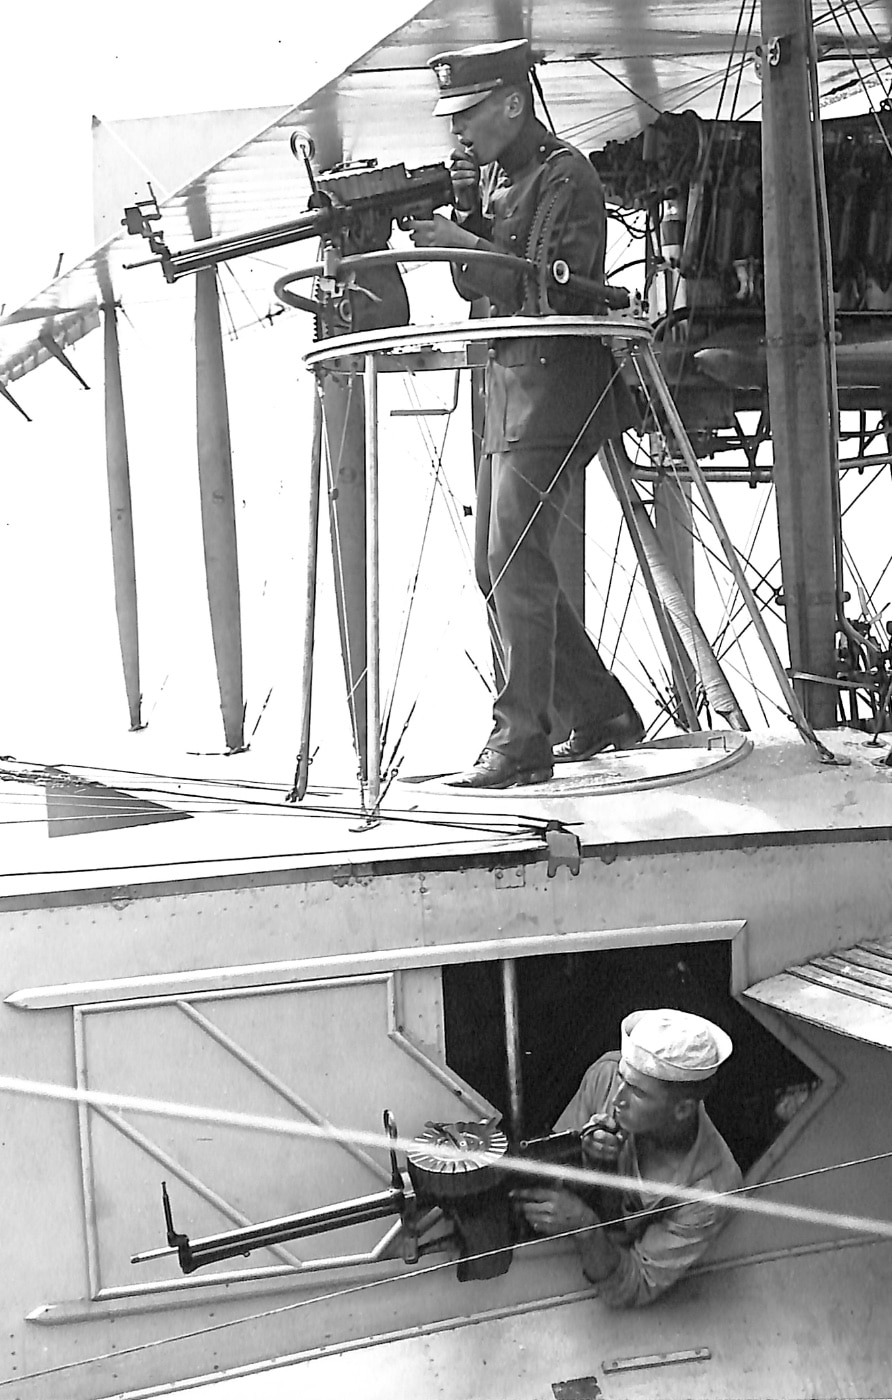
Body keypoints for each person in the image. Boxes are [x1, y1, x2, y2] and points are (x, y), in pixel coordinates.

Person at [406, 39, 643, 789]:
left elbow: (553, 292)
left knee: (512, 559)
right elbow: (482, 287)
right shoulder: (507, 182)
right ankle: (598, 709)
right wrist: (462, 232)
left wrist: (463, 240)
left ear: (513, 102)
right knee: (494, 564)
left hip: (558, 391)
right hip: (513, 394)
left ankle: (520, 740)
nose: (459, 132)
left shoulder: (566, 175)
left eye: (469, 114)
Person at [513, 1008, 743, 1307]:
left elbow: (632, 1286)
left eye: (637, 1092)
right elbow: (546, 1171)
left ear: (683, 1110)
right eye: (623, 1078)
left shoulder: (711, 1191)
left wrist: (584, 1226)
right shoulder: (606, 1077)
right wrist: (584, 1157)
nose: (618, 1098)